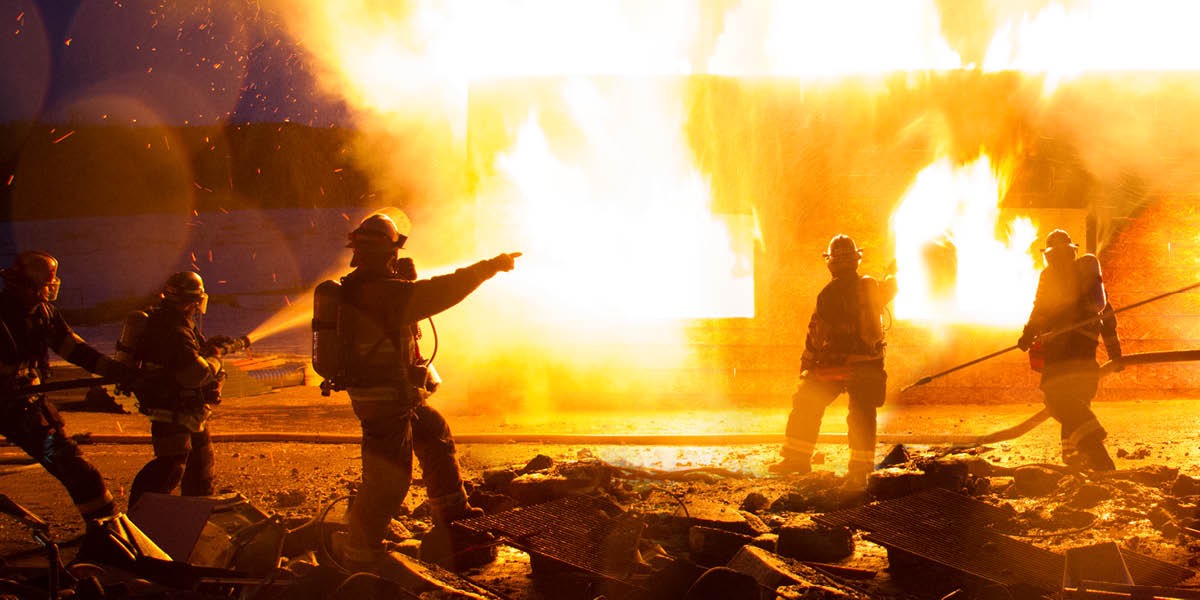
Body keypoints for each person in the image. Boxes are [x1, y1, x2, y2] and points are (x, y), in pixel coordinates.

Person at [331, 212, 519, 572]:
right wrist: (489, 267)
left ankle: (453, 520)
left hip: (398, 395)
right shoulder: (381, 291)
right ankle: (362, 561)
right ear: (389, 251)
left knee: (435, 434)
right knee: (388, 482)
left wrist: (401, 279)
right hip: (383, 401)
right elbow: (440, 292)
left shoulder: (371, 286)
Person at [0, 251, 139, 523]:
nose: (49, 291)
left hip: (23, 407)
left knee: (77, 469)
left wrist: (111, 370)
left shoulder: (44, 313)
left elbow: (72, 347)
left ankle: (105, 529)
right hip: (8, 401)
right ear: (26, 285)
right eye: (44, 285)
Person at [769, 235, 897, 489]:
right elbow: (889, 291)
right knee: (862, 414)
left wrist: (806, 364)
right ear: (857, 259)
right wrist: (892, 276)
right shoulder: (871, 286)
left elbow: (816, 334)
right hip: (870, 364)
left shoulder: (828, 294)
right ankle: (860, 470)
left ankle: (797, 458)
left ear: (831, 262)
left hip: (837, 365)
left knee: (807, 399)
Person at [125, 271, 245, 508]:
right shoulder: (174, 330)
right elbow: (195, 374)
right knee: (172, 464)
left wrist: (207, 348)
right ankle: (140, 516)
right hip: (172, 407)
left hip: (186, 408)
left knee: (200, 460)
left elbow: (185, 356)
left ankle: (196, 513)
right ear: (195, 300)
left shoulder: (173, 323)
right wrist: (215, 357)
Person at [1018, 229, 1122, 472]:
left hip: (1062, 351)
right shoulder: (1088, 277)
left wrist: (1028, 333)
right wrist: (1115, 354)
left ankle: (1096, 451)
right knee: (1076, 401)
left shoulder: (1051, 275)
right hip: (1086, 353)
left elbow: (1041, 309)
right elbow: (1108, 315)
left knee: (1056, 399)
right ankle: (1074, 456)